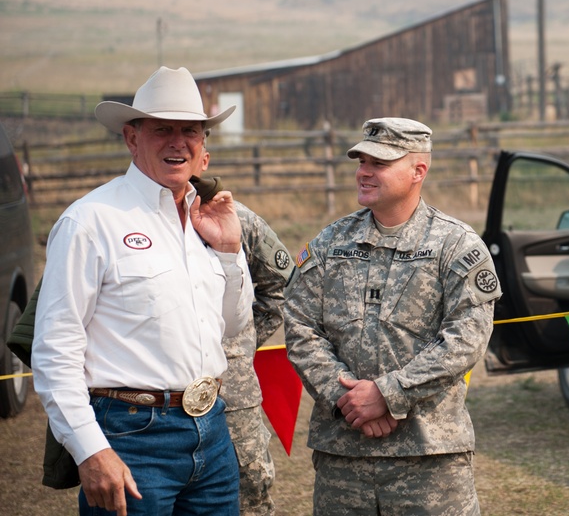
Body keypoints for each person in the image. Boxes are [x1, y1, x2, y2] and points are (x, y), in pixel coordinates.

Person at [31, 66, 255, 515]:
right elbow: (55, 348)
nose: (178, 141)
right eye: (162, 130)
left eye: (190, 130)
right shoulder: (90, 221)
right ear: (132, 138)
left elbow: (233, 324)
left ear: (204, 144)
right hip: (131, 434)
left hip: (211, 431)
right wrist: (91, 450)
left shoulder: (208, 220)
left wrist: (230, 251)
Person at [283, 117, 502, 516]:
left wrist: (388, 393)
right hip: (343, 458)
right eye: (361, 161)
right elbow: (299, 325)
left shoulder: (456, 246)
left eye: (379, 163)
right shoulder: (331, 243)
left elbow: (466, 338)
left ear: (419, 170)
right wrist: (346, 398)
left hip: (429, 459)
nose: (364, 172)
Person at [193, 153, 293, 516]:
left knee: (247, 493)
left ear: (203, 159)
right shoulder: (124, 222)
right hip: (150, 396)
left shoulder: (240, 221)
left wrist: (238, 343)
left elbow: (281, 286)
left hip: (232, 392)